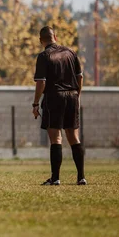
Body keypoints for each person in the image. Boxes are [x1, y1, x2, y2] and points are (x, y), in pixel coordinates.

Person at [32, 26, 86, 186]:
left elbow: (41, 82)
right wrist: (78, 94)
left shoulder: (43, 56)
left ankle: (55, 178)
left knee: (56, 138)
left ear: (41, 40)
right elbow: (80, 77)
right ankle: (81, 177)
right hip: (72, 96)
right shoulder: (71, 53)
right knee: (74, 137)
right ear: (55, 36)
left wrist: (35, 103)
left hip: (54, 97)